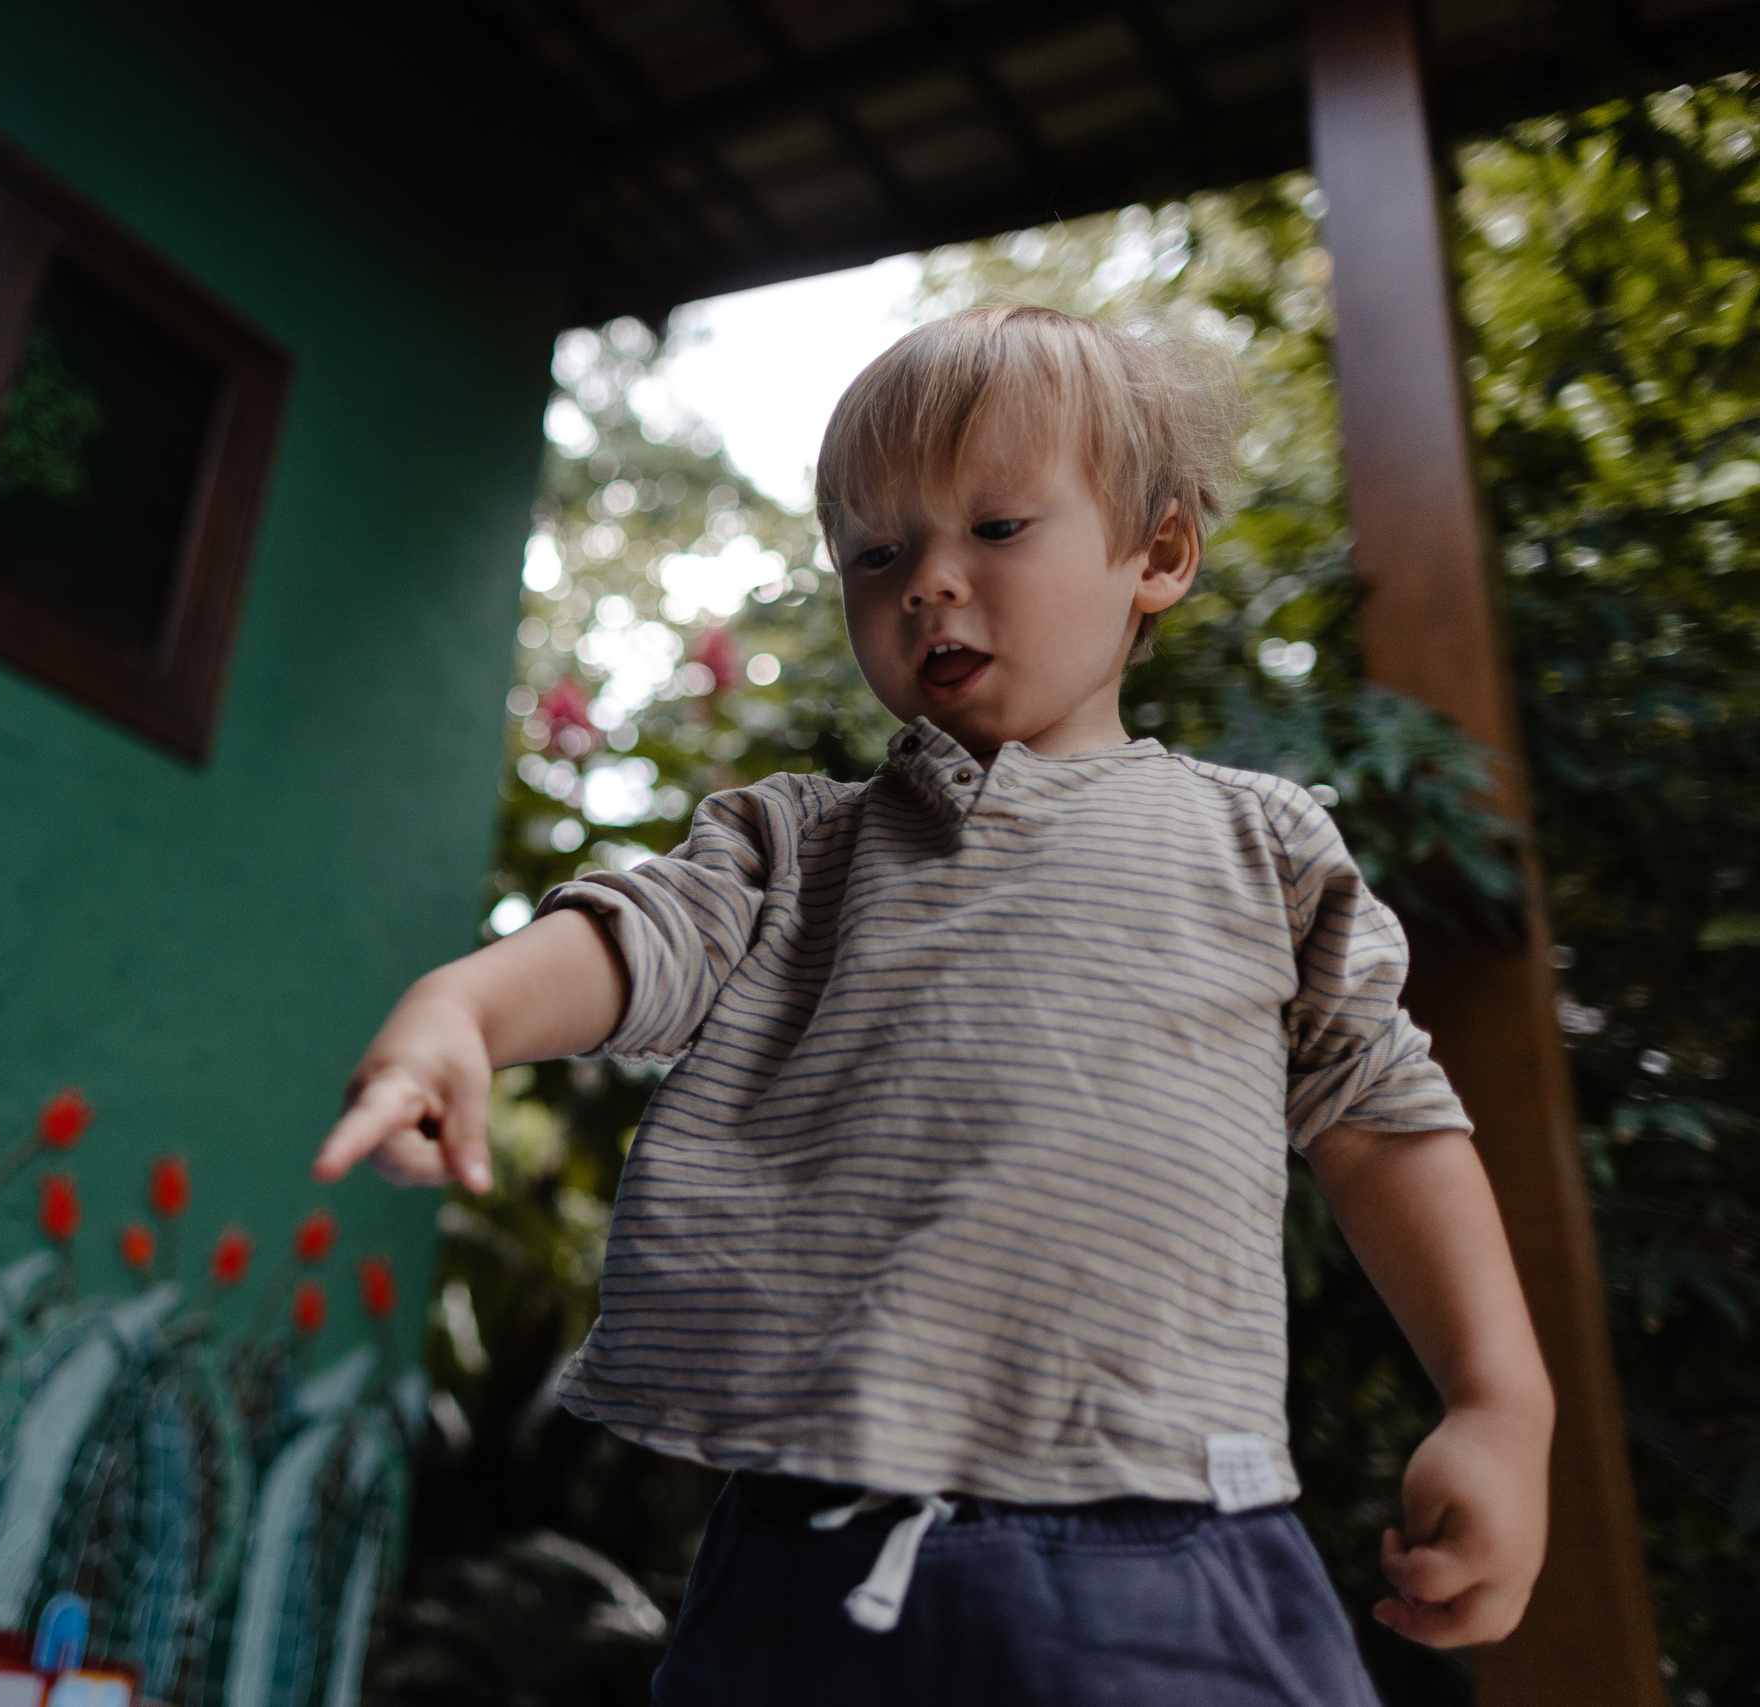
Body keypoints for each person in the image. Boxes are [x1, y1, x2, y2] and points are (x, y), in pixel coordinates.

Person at [313, 304, 1552, 1703]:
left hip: (1164, 1539)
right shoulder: (802, 847)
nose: (928, 583)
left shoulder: (1255, 849)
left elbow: (1381, 1115)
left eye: (997, 531)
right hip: (809, 1557)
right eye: (878, 553)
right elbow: (636, 938)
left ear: (1158, 554)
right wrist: (463, 1011)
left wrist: (1502, 1402)